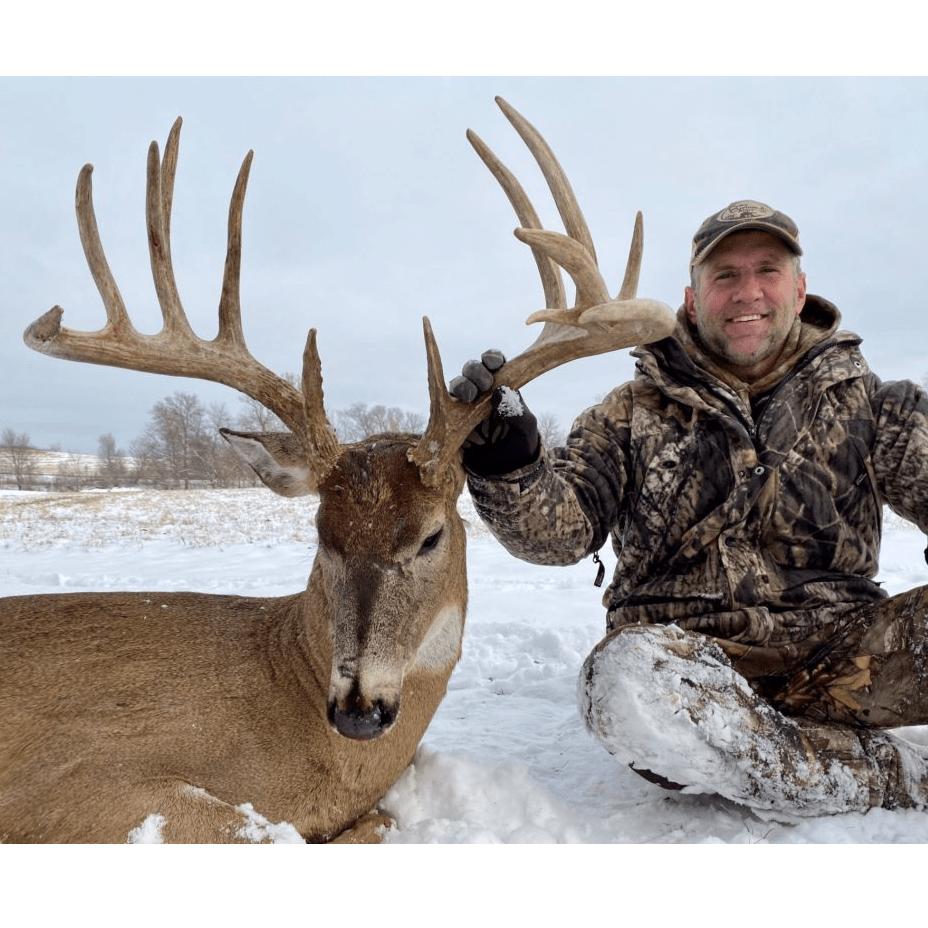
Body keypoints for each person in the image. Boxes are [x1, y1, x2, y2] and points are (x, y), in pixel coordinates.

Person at [451, 200, 928, 815]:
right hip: (685, 668)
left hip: (842, 657)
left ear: (800, 288)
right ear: (693, 297)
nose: (747, 291)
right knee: (619, 683)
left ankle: (787, 766)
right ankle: (891, 776)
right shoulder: (628, 413)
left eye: (768, 270)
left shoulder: (875, 406)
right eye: (724, 275)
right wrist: (508, 461)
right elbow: (558, 533)